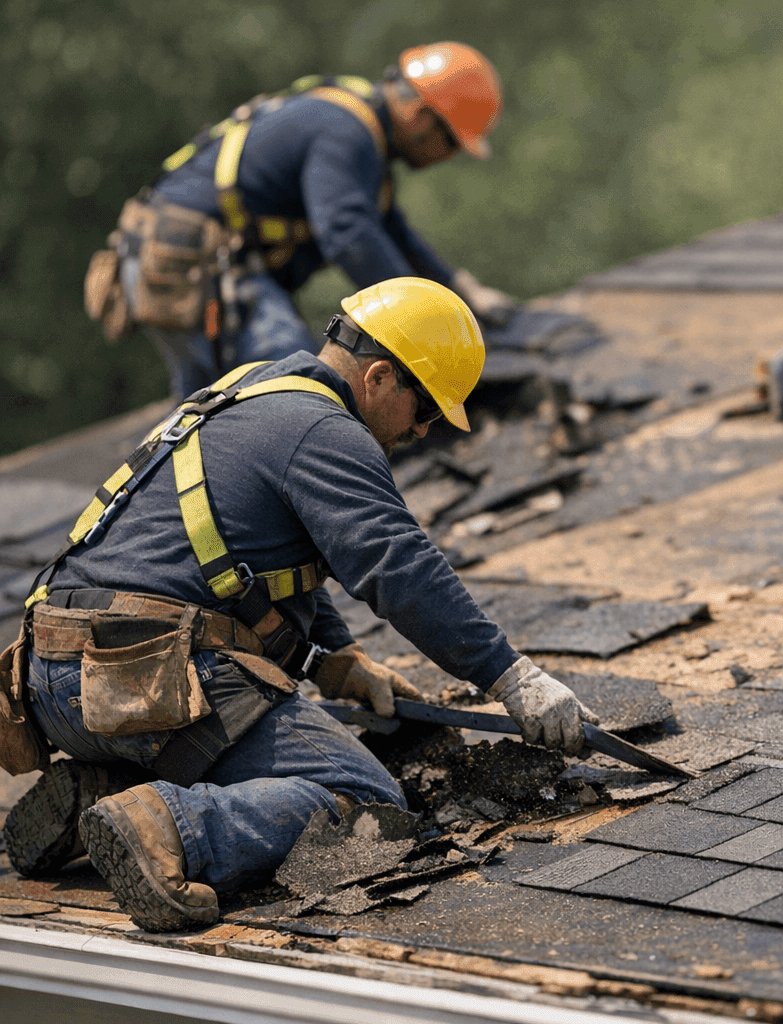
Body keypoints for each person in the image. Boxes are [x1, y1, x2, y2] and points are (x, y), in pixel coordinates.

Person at [3, 277, 596, 933]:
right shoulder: (326, 432)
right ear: (377, 378)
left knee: (255, 734)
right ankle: (172, 824)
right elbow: (397, 565)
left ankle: (97, 793)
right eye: (425, 410)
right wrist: (510, 676)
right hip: (148, 680)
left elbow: (256, 566)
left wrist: (338, 660)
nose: (424, 432)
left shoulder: (259, 386)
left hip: (54, 675)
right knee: (367, 802)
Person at [86, 42, 518, 399]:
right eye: (451, 144)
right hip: (190, 260)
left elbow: (388, 228)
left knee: (212, 400)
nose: (449, 158)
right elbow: (348, 235)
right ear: (421, 118)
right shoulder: (347, 133)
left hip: (183, 255)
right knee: (298, 386)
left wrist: (459, 287)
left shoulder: (360, 128)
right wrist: (424, 328)